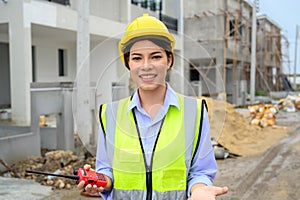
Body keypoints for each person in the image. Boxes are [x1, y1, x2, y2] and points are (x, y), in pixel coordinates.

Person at [77, 13, 228, 200]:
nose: (146, 66)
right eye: (137, 58)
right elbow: (107, 169)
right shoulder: (110, 114)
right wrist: (99, 183)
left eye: (155, 57)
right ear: (128, 63)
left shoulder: (194, 112)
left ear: (169, 60)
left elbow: (200, 171)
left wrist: (199, 190)